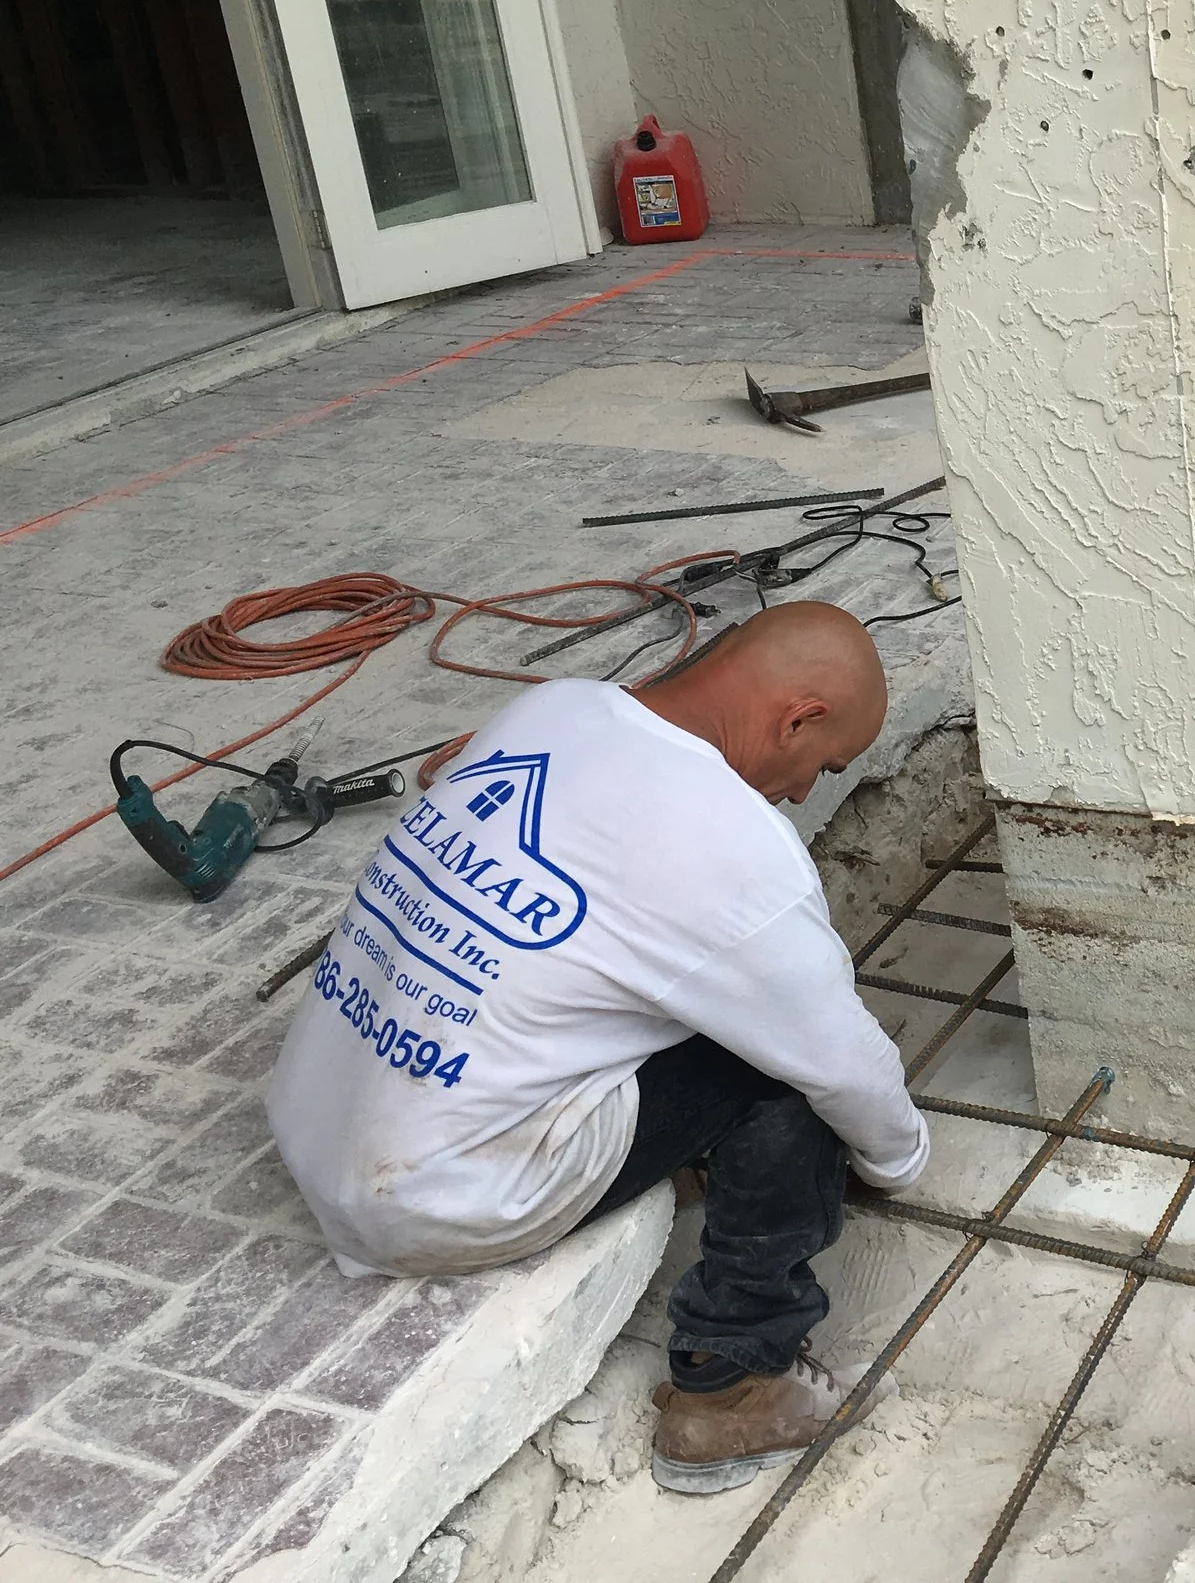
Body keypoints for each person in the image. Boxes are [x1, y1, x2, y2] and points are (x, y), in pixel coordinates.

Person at [267, 602, 929, 1494]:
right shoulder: (735, 850)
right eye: (824, 762)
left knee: (707, 989)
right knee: (789, 1071)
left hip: (320, 1124)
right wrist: (896, 1162)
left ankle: (683, 1166)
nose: (808, 790)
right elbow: (843, 1061)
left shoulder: (557, 708)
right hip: (450, 1189)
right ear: (796, 718)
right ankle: (733, 1381)